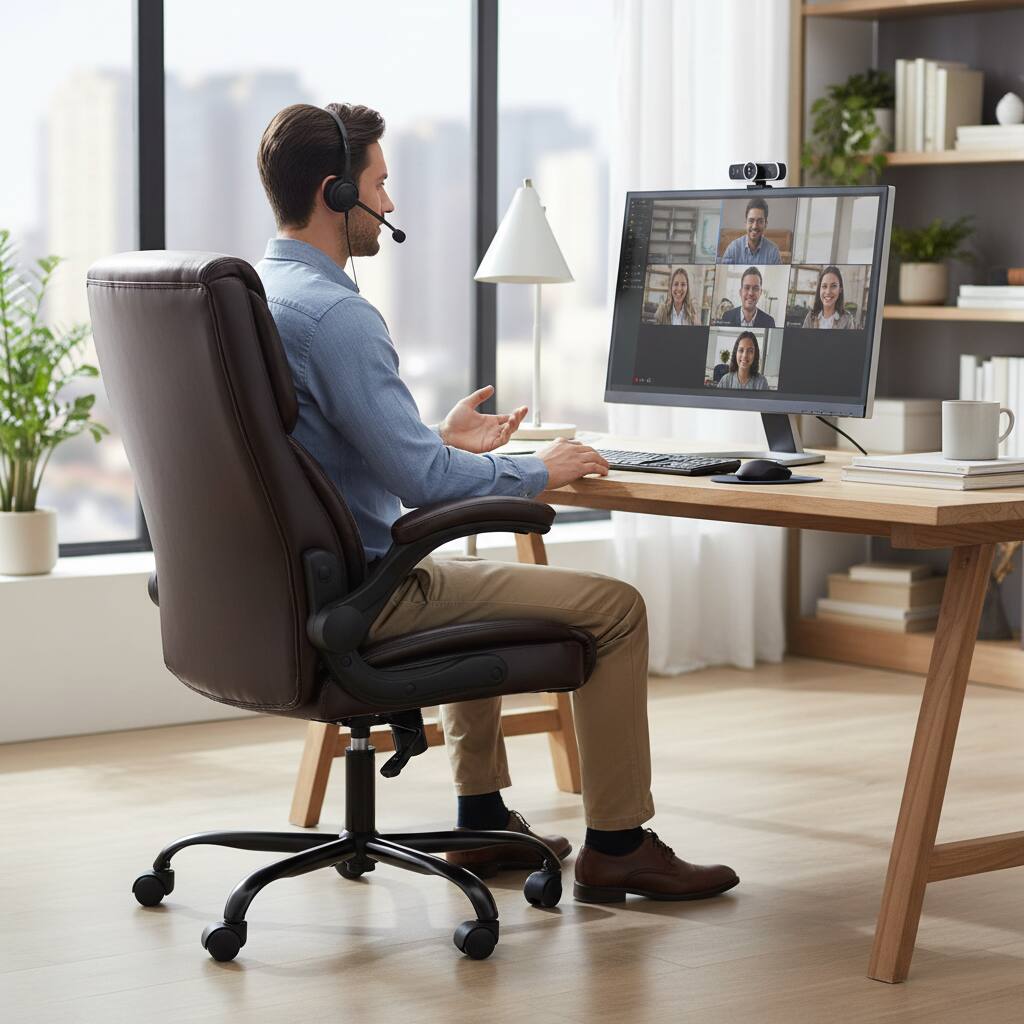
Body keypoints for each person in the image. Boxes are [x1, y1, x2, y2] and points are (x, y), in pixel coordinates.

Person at [255, 102, 738, 901]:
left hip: (281, 592)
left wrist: (436, 441)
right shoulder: (335, 314)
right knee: (616, 607)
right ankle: (618, 843)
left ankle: (480, 819)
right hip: (366, 594)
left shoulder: (258, 293)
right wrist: (538, 472)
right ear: (339, 195)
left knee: (464, 573)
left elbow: (319, 456)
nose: (392, 202)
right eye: (381, 182)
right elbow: (429, 489)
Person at [720, 197, 782, 265]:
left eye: (760, 221)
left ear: (765, 224)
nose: (755, 226)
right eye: (751, 221)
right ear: (745, 223)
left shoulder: (773, 252)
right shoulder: (733, 249)